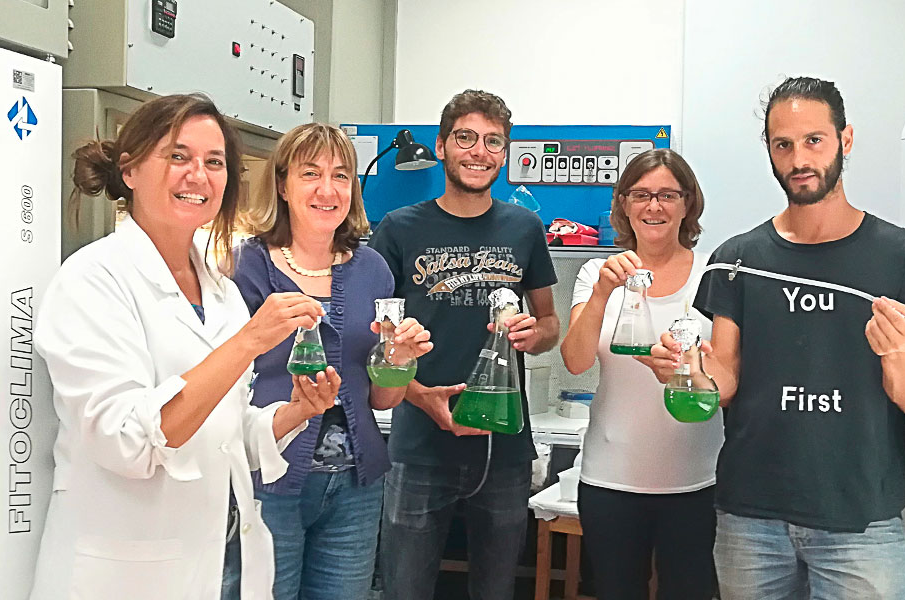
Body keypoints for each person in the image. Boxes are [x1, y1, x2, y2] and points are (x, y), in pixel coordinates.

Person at [29, 94, 337, 600]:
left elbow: (226, 432)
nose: (199, 175)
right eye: (178, 156)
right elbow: (126, 439)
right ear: (129, 171)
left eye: (214, 162)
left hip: (208, 560)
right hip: (119, 571)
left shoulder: (220, 291)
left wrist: (294, 413)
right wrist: (247, 343)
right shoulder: (91, 280)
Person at [649, 77, 905, 599]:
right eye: (783, 144)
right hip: (750, 518)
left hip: (860, 520)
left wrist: (899, 354)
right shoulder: (738, 258)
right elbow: (726, 379)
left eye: (814, 140)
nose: (799, 158)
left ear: (845, 140)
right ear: (770, 151)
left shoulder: (903, 255)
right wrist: (691, 370)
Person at [368, 89, 560, 600]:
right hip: (418, 448)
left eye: (493, 141)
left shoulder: (525, 228)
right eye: (466, 138)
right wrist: (417, 397)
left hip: (503, 446)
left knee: (496, 591)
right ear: (442, 145)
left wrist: (532, 333)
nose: (479, 151)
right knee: (404, 589)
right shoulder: (398, 229)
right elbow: (377, 343)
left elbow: (549, 326)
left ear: (506, 151)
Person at [229, 123, 433, 599]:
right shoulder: (246, 268)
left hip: (355, 487)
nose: (328, 189)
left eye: (341, 176)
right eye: (311, 173)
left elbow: (384, 399)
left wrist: (399, 360)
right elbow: (228, 378)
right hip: (269, 481)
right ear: (283, 184)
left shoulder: (372, 269)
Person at [560, 148, 722, 599]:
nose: (654, 206)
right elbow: (575, 360)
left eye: (668, 194)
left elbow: (732, 375)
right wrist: (601, 293)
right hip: (611, 481)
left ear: (688, 203)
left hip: (696, 480)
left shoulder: (714, 272)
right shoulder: (598, 271)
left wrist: (687, 371)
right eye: (642, 194)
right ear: (624, 203)